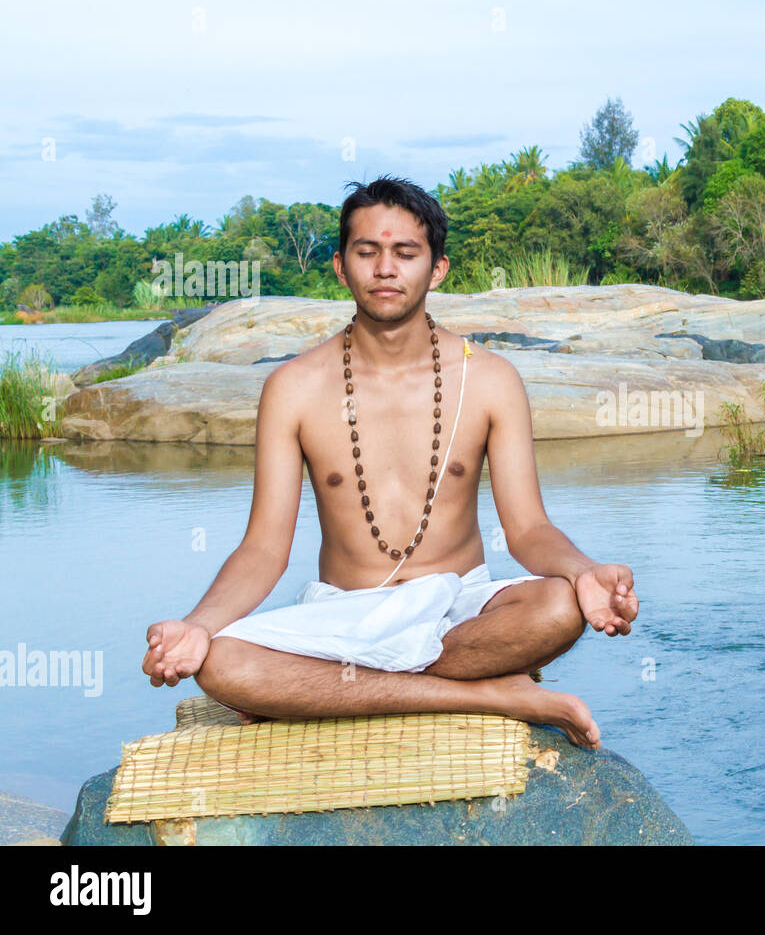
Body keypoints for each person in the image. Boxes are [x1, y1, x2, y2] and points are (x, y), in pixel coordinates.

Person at [139, 176, 639, 750]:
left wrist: (583, 572)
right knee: (223, 664)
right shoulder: (294, 388)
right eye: (367, 251)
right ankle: (490, 695)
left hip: (460, 611)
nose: (385, 269)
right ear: (339, 266)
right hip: (345, 616)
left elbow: (528, 529)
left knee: (556, 608)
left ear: (438, 268)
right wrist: (198, 627)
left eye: (406, 253)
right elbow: (264, 549)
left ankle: (332, 695)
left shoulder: (491, 379)